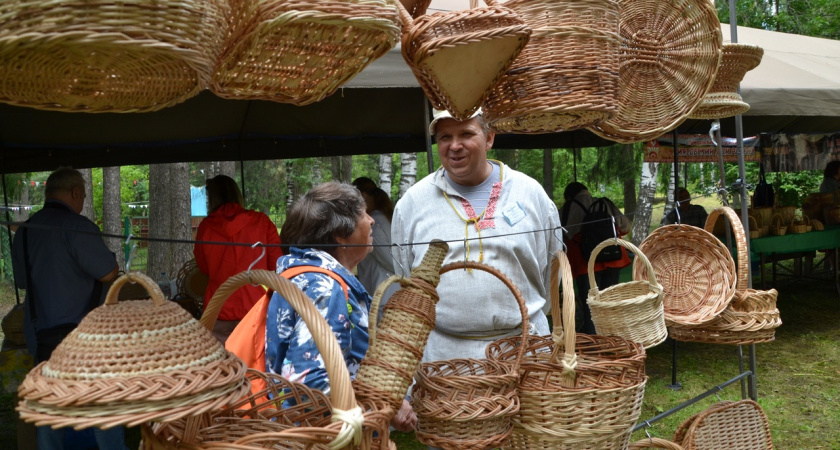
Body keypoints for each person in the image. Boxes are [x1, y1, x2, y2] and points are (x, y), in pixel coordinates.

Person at [392, 109, 561, 366]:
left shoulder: (529, 193)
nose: (455, 146)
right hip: (444, 358)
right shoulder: (413, 203)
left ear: (489, 138)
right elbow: (405, 277)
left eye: (466, 134)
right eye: (445, 137)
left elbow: (552, 266)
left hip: (524, 351)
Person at [269, 181, 416, 432]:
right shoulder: (324, 288)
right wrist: (387, 404)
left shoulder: (310, 278)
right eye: (362, 214)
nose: (371, 221)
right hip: (324, 437)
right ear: (340, 233)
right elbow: (311, 383)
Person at [11, 168, 127, 450]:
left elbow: (23, 281)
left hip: (41, 336)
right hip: (83, 338)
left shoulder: (25, 232)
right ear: (75, 193)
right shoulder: (78, 227)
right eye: (84, 195)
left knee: (50, 411)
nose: (83, 200)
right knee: (101, 408)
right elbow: (109, 273)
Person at [194, 175, 282, 344]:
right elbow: (276, 263)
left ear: (212, 198)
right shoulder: (261, 222)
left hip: (217, 308)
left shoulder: (206, 227)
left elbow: (203, 268)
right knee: (256, 367)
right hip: (254, 307)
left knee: (220, 366)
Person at [559, 182, 631, 334]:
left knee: (591, 305)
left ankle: (594, 344)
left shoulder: (569, 207)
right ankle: (611, 338)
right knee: (608, 302)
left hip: (585, 261)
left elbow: (564, 233)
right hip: (613, 256)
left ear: (569, 195)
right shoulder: (605, 202)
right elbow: (625, 226)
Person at [351, 177, 398, 317]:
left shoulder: (374, 223)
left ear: (362, 195)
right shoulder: (385, 217)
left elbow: (389, 260)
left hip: (382, 294)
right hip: (385, 292)